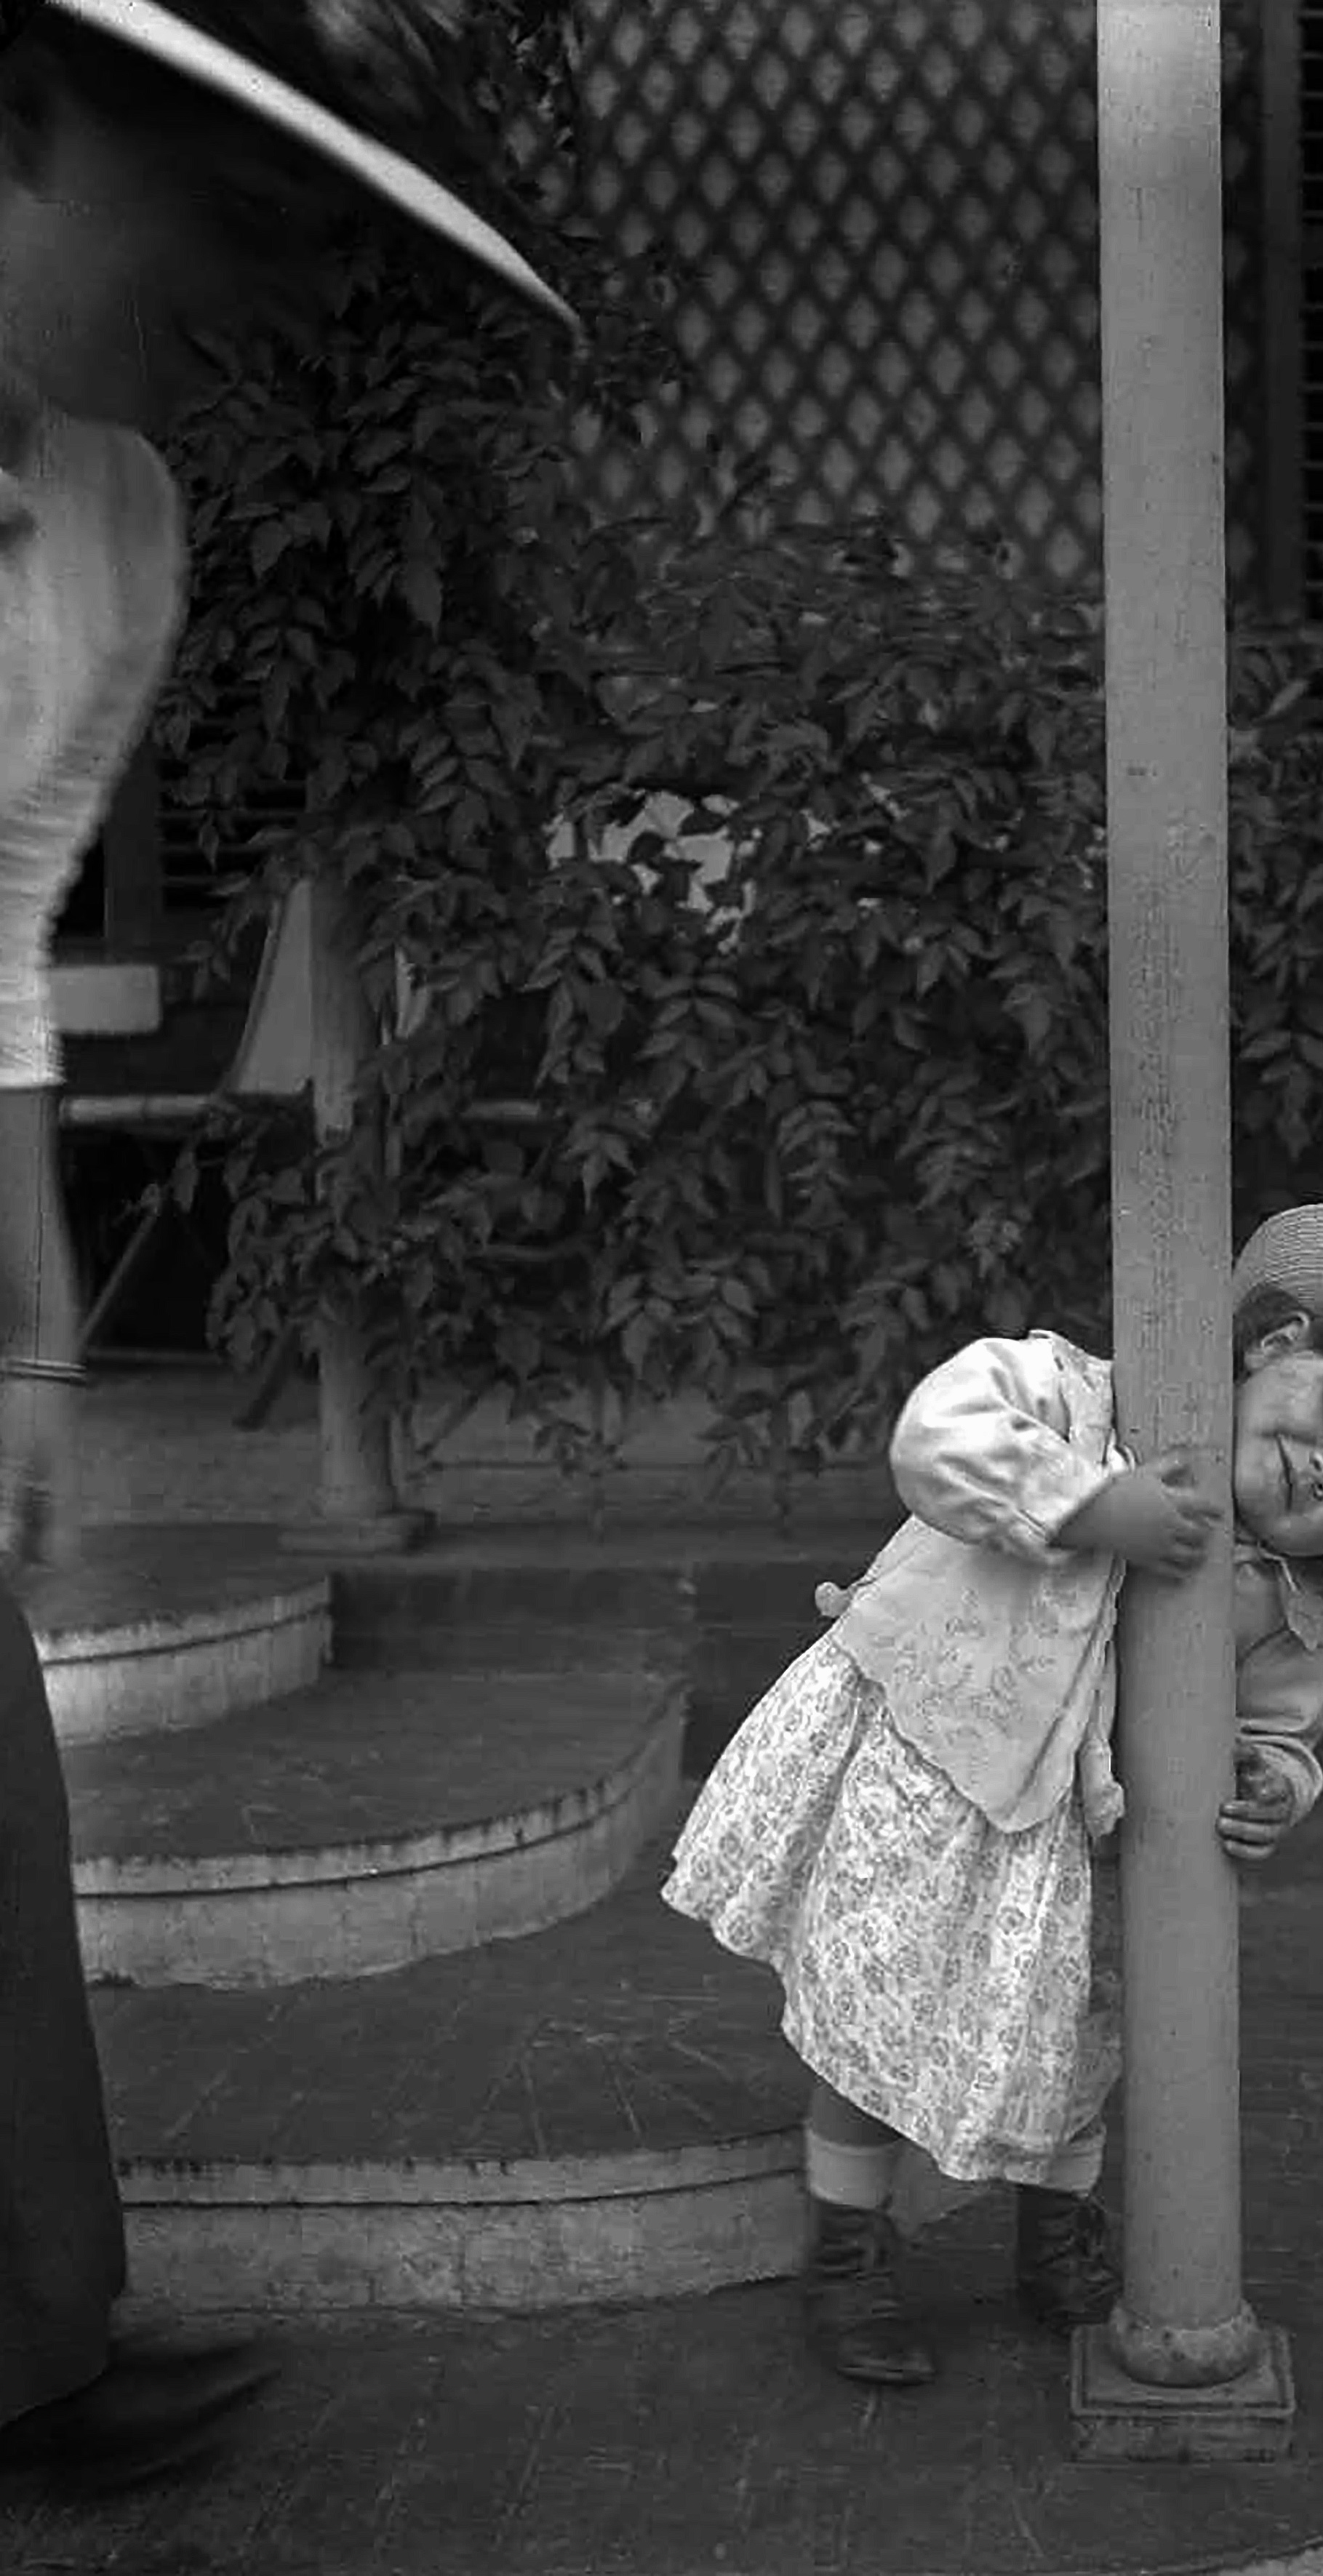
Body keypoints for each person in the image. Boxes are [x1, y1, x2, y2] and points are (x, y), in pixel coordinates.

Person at [0, 0, 576, 2500]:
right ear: (28, 136)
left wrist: (37, 1337)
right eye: (222, 211)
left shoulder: (121, 520)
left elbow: (2, 916)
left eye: (294, 237)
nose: (253, 294)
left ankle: (33, 2349)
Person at [663, 1199, 1323, 2387]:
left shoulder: (1295, 1604)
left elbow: (1285, 1727)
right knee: (869, 2024)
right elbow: (937, 1440)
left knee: (1083, 2044)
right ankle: (846, 2245)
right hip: (937, 1769)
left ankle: (1055, 2234)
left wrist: (1274, 1781)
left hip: (1095, 1845)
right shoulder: (1072, 1398)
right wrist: (1092, 1505)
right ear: (1275, 1345)